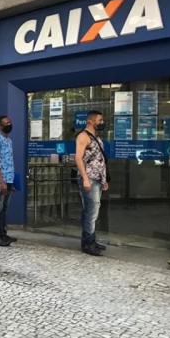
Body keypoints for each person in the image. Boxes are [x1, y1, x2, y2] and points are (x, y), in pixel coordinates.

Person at [75, 110, 109, 257]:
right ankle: (88, 243)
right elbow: (78, 158)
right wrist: (85, 179)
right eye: (99, 120)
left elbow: (100, 159)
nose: (102, 123)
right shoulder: (83, 136)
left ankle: (90, 240)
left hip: (97, 179)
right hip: (89, 178)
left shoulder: (96, 137)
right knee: (91, 212)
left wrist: (104, 180)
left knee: (90, 211)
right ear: (91, 121)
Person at [0, 115, 17, 247]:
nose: (9, 125)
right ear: (0, 126)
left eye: (10, 122)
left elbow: (8, 161)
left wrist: (11, 181)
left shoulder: (9, 140)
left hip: (8, 179)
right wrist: (1, 181)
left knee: (4, 208)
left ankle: (2, 233)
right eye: (6, 123)